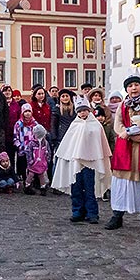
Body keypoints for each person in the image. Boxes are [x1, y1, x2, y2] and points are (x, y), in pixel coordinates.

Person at [107, 74, 140, 232]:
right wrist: (127, 134)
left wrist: (132, 131)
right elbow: (118, 123)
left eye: (136, 85)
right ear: (126, 89)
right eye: (130, 86)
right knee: (122, 183)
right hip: (126, 147)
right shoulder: (123, 105)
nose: (134, 88)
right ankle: (117, 215)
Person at [52, 96, 112, 224]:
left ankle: (92, 213)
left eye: (84, 110)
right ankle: (77, 211)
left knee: (90, 188)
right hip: (76, 162)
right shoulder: (74, 125)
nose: (82, 113)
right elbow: (69, 144)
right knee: (76, 187)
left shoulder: (96, 125)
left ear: (89, 110)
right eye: (79, 111)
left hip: (90, 163)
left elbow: (99, 144)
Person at [14, 103, 38, 185]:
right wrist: (19, 146)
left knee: (31, 165)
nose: (27, 113)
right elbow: (15, 136)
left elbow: (38, 136)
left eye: (29, 111)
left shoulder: (35, 124)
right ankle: (24, 179)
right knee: (23, 165)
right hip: (22, 149)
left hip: (32, 150)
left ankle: (30, 181)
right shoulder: (18, 124)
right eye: (25, 111)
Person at [24, 124, 51, 196]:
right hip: (34, 163)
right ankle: (27, 185)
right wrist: (30, 161)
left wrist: (48, 159)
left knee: (42, 175)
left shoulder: (45, 143)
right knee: (31, 174)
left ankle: (43, 187)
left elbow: (48, 151)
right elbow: (28, 152)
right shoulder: (31, 143)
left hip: (42, 162)